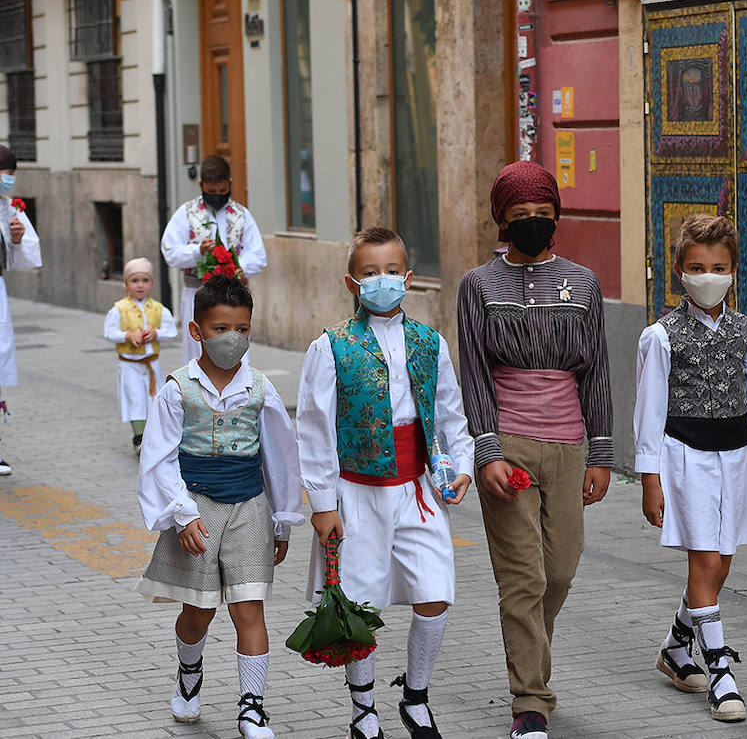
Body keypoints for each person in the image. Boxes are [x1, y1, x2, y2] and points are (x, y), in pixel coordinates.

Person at [296, 226, 473, 739]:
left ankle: (415, 697)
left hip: (417, 488)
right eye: (370, 273)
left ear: (410, 279)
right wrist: (323, 504)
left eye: (392, 272)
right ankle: (364, 709)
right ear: (352, 282)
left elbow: (450, 416)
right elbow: (314, 430)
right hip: (356, 493)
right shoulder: (330, 347)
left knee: (435, 591)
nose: (383, 281)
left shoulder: (429, 341)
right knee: (358, 601)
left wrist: (460, 465)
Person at [457, 161, 613, 739]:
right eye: (520, 216)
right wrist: (486, 451)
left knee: (561, 572)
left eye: (542, 215)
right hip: (510, 446)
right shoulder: (479, 286)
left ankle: (528, 657)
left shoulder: (585, 284)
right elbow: (473, 371)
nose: (532, 224)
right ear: (501, 221)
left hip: (570, 447)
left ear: (557, 219)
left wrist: (601, 454)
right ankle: (530, 700)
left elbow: (596, 371)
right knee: (522, 578)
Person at [634, 214, 747, 723]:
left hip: (736, 457)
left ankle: (677, 646)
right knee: (703, 563)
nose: (708, 276)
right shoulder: (660, 336)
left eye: (718, 267)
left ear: (734, 271)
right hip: (684, 456)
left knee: (722, 563)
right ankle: (720, 670)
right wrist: (650, 478)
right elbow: (650, 411)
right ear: (679, 269)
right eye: (697, 266)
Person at [136, 275, 303, 737]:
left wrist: (284, 519)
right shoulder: (178, 388)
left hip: (250, 508)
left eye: (243, 329)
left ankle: (252, 708)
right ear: (197, 332)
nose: (233, 339)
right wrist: (181, 512)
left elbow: (281, 457)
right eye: (220, 329)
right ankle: (189, 674)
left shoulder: (261, 389)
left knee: (249, 608)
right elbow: (159, 456)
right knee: (199, 611)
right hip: (198, 509)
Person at [160, 155, 267, 365]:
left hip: (233, 294)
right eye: (211, 192)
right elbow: (170, 251)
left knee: (235, 347)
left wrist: (235, 268)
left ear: (229, 184)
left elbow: (258, 255)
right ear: (201, 185)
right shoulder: (186, 213)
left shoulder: (241, 214)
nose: (217, 196)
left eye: (221, 191)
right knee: (197, 348)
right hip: (197, 293)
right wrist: (197, 251)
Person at [104, 257, 178, 454]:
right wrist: (127, 335)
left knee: (155, 399)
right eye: (134, 280)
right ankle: (139, 437)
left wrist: (156, 333)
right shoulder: (119, 309)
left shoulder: (158, 309)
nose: (140, 285)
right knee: (135, 399)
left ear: (152, 283)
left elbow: (172, 332)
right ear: (126, 284)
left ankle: (155, 436)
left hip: (151, 364)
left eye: (145, 280)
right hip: (130, 364)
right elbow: (109, 333)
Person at [0, 144, 40, 476]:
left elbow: (28, 256)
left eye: (12, 177)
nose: (8, 182)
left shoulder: (10, 209)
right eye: (5, 175)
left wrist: (16, 239)